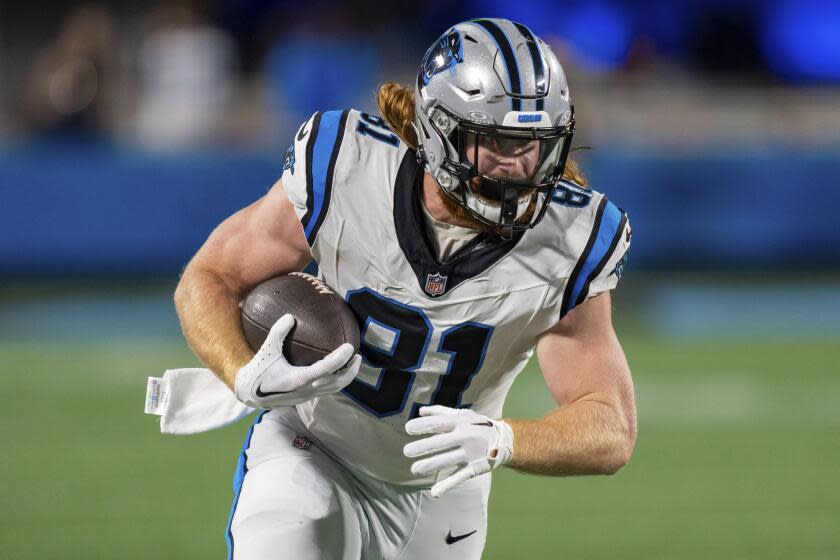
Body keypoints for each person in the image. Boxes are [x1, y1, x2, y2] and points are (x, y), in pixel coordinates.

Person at [174, 18, 636, 560]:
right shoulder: (347, 165)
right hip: (315, 445)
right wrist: (242, 374)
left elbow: (609, 424)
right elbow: (210, 278)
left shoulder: (571, 238)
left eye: (533, 144)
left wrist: (503, 439)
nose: (517, 165)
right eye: (496, 142)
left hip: (442, 486)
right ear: (439, 130)